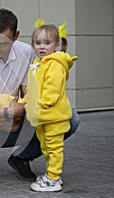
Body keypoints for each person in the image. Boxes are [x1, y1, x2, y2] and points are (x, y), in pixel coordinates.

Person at [0, 8, 80, 183]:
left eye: (4, 43)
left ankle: (21, 158)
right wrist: (3, 113)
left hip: (18, 113)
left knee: (70, 119)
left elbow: (30, 94)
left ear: (16, 35)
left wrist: (18, 116)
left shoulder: (28, 52)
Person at [21, 23, 78, 192]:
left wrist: (40, 104)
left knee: (54, 147)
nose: (42, 47)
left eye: (47, 43)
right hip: (43, 116)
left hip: (54, 116)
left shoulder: (55, 64)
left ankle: (54, 178)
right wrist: (26, 100)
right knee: (45, 146)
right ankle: (51, 173)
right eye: (38, 43)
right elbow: (33, 87)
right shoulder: (39, 63)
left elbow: (51, 92)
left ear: (57, 45)